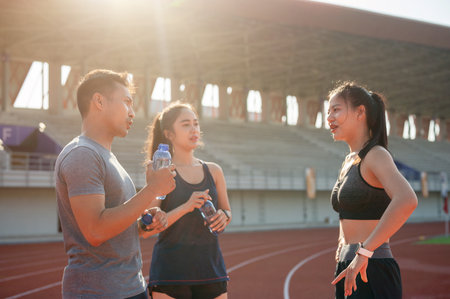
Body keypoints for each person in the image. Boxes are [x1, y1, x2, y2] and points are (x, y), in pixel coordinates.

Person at [55, 69, 176, 299]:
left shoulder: (106, 156)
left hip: (129, 286)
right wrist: (152, 189)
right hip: (98, 291)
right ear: (99, 101)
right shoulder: (83, 154)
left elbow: (117, 226)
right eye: (127, 102)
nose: (133, 112)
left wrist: (144, 223)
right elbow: (95, 231)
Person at [327, 82, 418, 298]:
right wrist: (343, 248)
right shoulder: (349, 160)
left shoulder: (376, 154)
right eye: (327, 111)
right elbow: (346, 212)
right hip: (348, 265)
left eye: (336, 110)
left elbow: (407, 199)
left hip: (372, 267)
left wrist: (364, 251)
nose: (329, 118)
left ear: (360, 112)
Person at [144, 102, 231, 299]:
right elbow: (148, 227)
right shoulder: (160, 171)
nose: (194, 129)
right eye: (185, 124)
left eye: (196, 124)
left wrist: (223, 216)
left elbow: (227, 211)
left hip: (211, 270)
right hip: (171, 274)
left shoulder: (214, 171)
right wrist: (187, 206)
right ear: (169, 134)